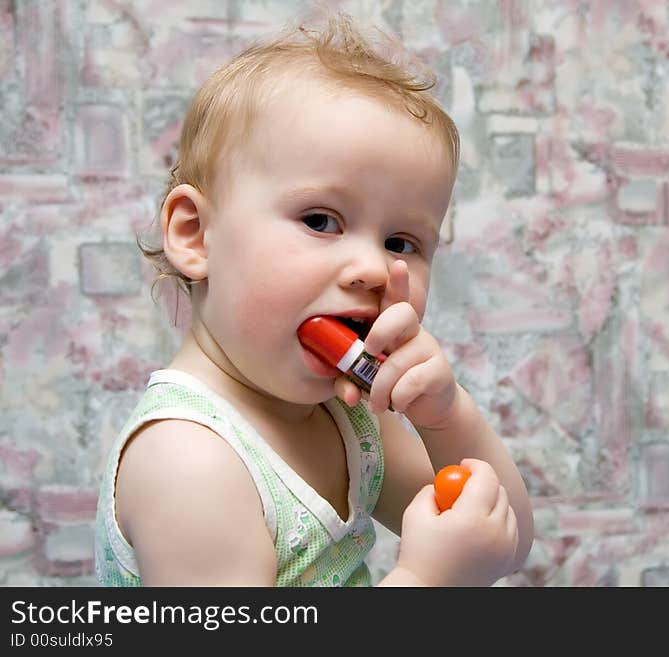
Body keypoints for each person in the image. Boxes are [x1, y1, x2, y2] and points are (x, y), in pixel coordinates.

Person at [94, 13, 534, 587]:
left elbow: (504, 541)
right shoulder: (189, 460)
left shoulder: (349, 418)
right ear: (196, 235)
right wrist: (427, 581)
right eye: (321, 220)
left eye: (401, 242)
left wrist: (449, 418)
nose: (374, 268)